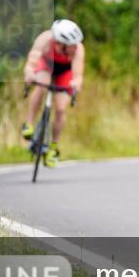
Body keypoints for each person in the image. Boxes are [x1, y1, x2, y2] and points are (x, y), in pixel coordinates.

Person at [20, 19, 85, 167]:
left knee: (61, 108)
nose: (75, 47)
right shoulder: (45, 39)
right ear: (60, 43)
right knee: (42, 86)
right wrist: (29, 73)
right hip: (46, 65)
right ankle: (29, 123)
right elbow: (32, 61)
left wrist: (76, 84)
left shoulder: (78, 49)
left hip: (65, 71)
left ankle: (53, 148)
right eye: (71, 45)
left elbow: (77, 75)